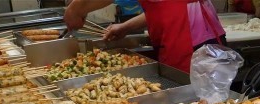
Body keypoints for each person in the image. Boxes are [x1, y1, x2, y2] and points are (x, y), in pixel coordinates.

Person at [64, 0, 226, 72]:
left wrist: (76, 9)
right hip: (201, 40)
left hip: (191, 48)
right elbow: (162, 10)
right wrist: (126, 27)